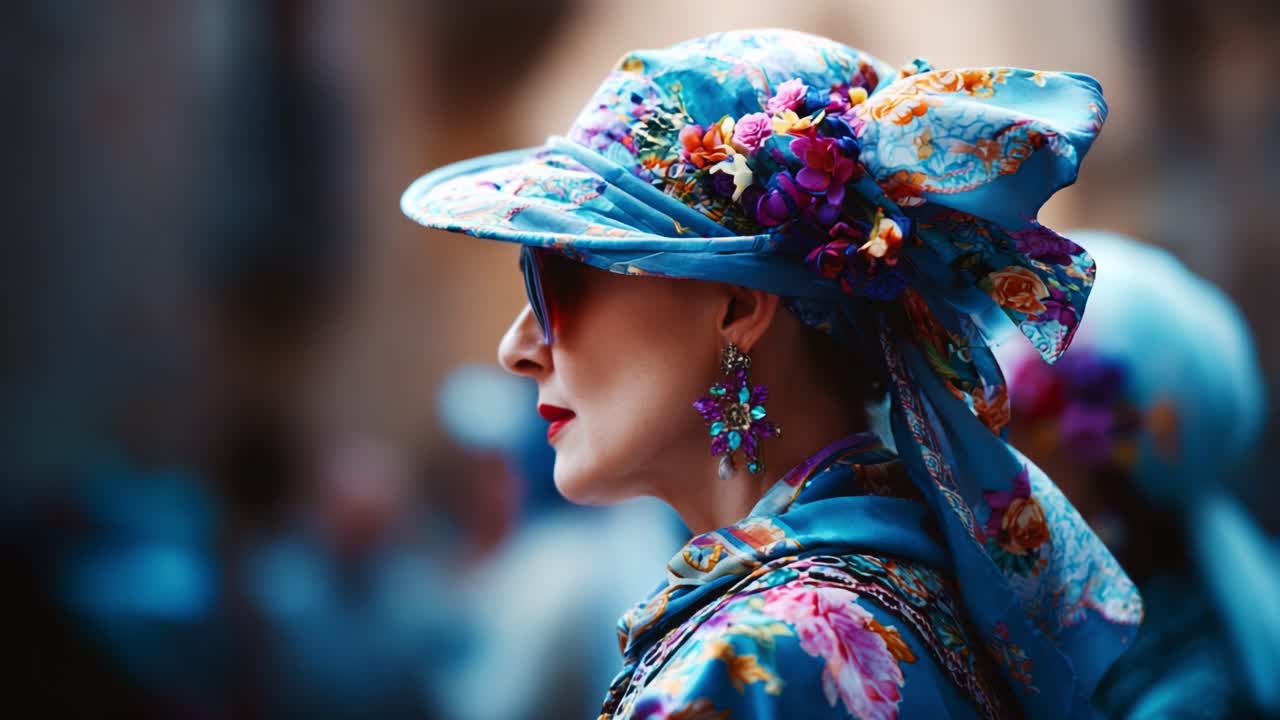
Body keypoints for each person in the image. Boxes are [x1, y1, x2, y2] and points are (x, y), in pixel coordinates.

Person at [401, 30, 1142, 719]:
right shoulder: (913, 591)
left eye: (557, 279)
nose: (517, 348)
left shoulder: (750, 659)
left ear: (736, 305)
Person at [1005, 231, 1280, 719]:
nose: (997, 454)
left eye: (1019, 419)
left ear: (1097, 456)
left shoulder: (1186, 687)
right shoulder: (1054, 624)